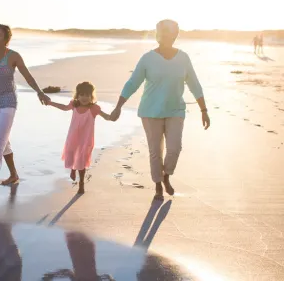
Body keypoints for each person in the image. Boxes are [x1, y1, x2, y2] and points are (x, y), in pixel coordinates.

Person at [110, 19, 211, 200]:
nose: (166, 37)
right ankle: (157, 185)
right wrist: (118, 106)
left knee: (174, 148)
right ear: (158, 36)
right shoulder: (147, 59)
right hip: (150, 111)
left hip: (175, 110)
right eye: (163, 33)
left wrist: (204, 110)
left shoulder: (183, 58)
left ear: (175, 35)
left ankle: (166, 176)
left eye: (170, 34)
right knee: (155, 151)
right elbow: (132, 83)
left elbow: (194, 84)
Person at [0, 24, 51, 190]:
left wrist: (40, 92)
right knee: (3, 141)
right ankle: (14, 175)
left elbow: (27, 76)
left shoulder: (13, 56)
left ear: (7, 39)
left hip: (8, 102)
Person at [47, 82, 111, 194]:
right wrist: (50, 103)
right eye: (82, 95)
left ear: (91, 96)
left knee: (81, 159)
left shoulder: (94, 108)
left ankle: (81, 183)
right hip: (73, 136)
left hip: (86, 139)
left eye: (87, 95)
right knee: (71, 154)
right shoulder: (74, 105)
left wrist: (115, 114)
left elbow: (107, 117)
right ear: (77, 95)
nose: (84, 98)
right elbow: (64, 107)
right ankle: (73, 169)